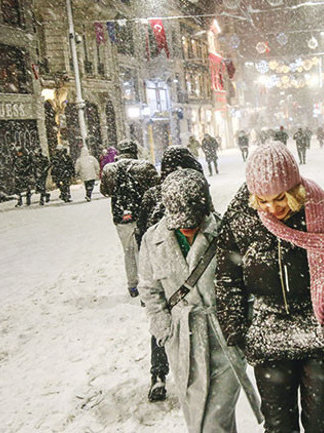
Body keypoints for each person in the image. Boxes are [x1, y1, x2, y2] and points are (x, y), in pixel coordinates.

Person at [215, 143, 324, 433]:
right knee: (279, 427)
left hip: (319, 326)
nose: (271, 208)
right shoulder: (240, 216)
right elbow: (227, 279)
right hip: (269, 330)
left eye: (279, 198)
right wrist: (237, 332)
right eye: (262, 200)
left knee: (323, 424)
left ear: (294, 189)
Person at [139, 168, 243, 432]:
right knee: (197, 419)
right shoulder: (153, 240)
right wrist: (164, 329)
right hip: (182, 341)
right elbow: (150, 289)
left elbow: (245, 284)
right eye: (180, 224)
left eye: (193, 222)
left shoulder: (225, 233)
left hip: (224, 337)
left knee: (213, 423)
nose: (187, 229)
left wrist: (241, 327)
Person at [100, 139, 159, 298]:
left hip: (121, 215)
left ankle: (132, 285)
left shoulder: (110, 169)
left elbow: (105, 191)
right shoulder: (145, 167)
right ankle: (148, 283)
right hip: (143, 214)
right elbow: (156, 188)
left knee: (128, 251)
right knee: (145, 249)